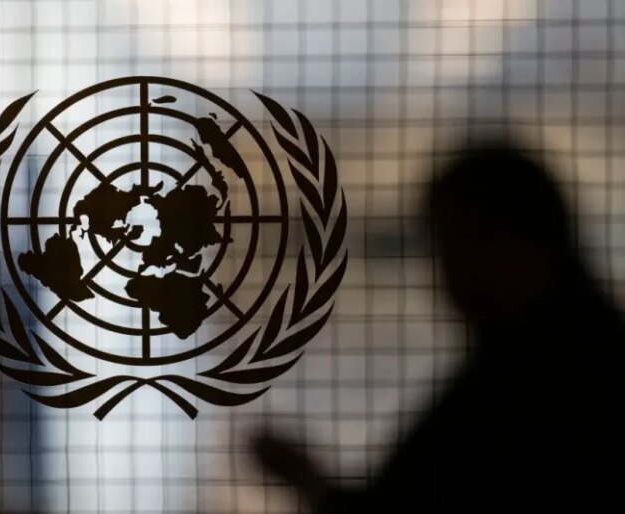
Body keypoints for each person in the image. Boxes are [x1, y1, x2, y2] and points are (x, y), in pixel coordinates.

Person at [252, 141, 625, 512]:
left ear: (533, 240)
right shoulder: (571, 354)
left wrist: (306, 479)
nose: (450, 268)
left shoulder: (527, 384)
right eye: (442, 245)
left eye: (470, 239)